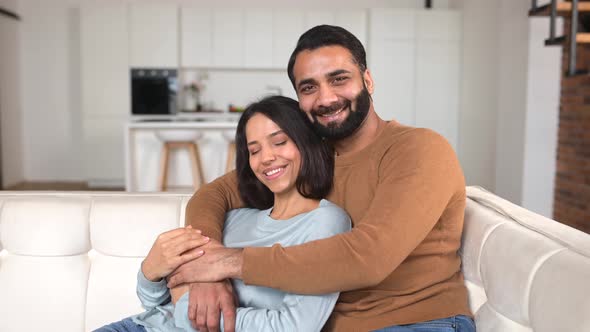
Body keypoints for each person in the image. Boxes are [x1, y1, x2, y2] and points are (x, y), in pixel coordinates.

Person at [167, 25, 476, 332]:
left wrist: (228, 263)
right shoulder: (309, 158)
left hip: (416, 322)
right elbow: (212, 195)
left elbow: (368, 258)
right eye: (308, 87)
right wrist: (207, 270)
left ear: (367, 80)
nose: (326, 98)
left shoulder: (417, 148)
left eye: (339, 79)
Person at [95, 96, 351, 332]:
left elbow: (295, 326)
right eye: (254, 150)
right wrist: (149, 272)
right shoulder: (234, 217)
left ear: (307, 142)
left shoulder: (326, 222)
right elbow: (156, 303)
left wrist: (188, 309)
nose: (266, 158)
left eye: (279, 142)